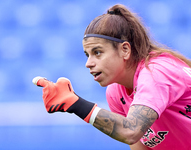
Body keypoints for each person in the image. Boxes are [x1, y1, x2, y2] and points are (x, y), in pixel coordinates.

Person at [32, 4, 191, 150]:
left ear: (125, 50)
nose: (88, 63)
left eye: (98, 52)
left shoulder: (156, 73)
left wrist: (76, 104)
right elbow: (136, 143)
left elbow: (130, 130)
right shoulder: (115, 92)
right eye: (87, 55)